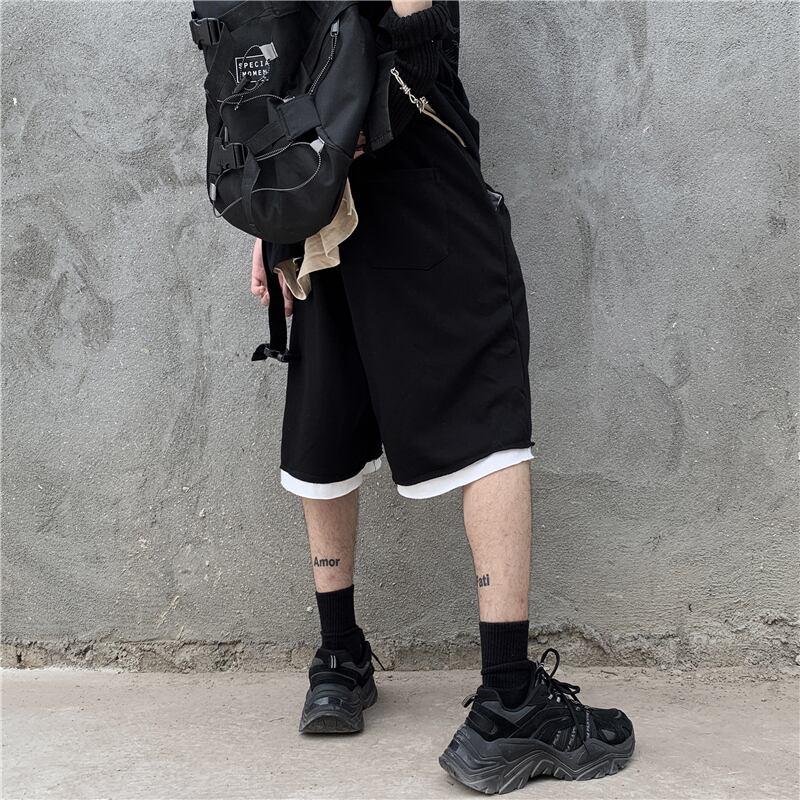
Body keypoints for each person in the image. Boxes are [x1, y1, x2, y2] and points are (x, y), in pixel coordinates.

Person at [250, 1, 635, 793]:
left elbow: (274, 50)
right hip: (411, 169)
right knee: (488, 408)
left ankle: (338, 660)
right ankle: (509, 702)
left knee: (328, 405)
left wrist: (276, 213)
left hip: (309, 186)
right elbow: (416, 53)